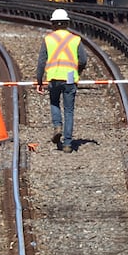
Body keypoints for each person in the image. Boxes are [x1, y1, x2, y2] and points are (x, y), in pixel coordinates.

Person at [35, 9, 88, 151]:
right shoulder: (75, 39)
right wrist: (78, 71)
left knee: (54, 103)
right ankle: (68, 144)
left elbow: (41, 62)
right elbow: (83, 60)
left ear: (53, 24)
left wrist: (39, 81)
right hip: (70, 78)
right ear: (67, 23)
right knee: (69, 110)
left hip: (53, 77)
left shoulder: (48, 39)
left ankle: (57, 126)